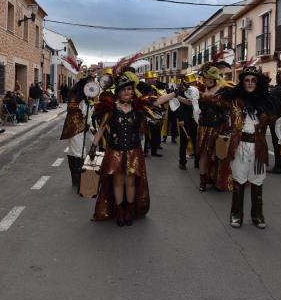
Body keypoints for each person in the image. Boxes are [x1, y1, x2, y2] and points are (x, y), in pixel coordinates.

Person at [90, 70, 175, 226]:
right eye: (124, 89)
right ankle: (120, 211)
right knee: (118, 182)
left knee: (130, 182)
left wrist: (175, 93)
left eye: (130, 89)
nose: (128, 92)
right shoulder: (111, 108)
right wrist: (93, 146)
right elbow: (102, 128)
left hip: (133, 151)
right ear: (119, 92)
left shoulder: (138, 107)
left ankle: (129, 210)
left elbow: (158, 101)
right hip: (115, 151)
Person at [221, 65, 274, 229]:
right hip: (240, 145)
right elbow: (217, 102)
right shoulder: (235, 101)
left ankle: (257, 215)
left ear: (257, 83)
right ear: (242, 83)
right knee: (239, 181)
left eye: (253, 80)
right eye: (247, 80)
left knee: (257, 182)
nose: (250, 83)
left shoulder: (266, 102)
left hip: (258, 147)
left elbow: (274, 119)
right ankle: (236, 215)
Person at [196, 67, 230, 190]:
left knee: (219, 154)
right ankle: (202, 181)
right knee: (204, 154)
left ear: (215, 79)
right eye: (206, 78)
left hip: (219, 127)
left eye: (211, 78)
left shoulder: (223, 91)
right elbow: (192, 103)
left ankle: (217, 180)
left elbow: (226, 106)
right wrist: (179, 97)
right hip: (204, 127)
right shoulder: (199, 89)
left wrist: (208, 98)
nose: (208, 80)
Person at [60, 68, 94, 188]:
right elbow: (71, 108)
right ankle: (78, 179)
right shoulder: (76, 95)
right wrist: (81, 109)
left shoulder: (88, 96)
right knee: (78, 152)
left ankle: (77, 179)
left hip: (83, 127)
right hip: (75, 128)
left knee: (77, 152)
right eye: (90, 81)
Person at [175, 73, 199, 171]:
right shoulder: (181, 92)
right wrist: (180, 119)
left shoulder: (197, 91)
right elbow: (178, 106)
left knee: (196, 141)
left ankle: (197, 162)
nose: (194, 84)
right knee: (184, 142)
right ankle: (182, 162)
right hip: (185, 120)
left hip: (195, 120)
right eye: (192, 83)